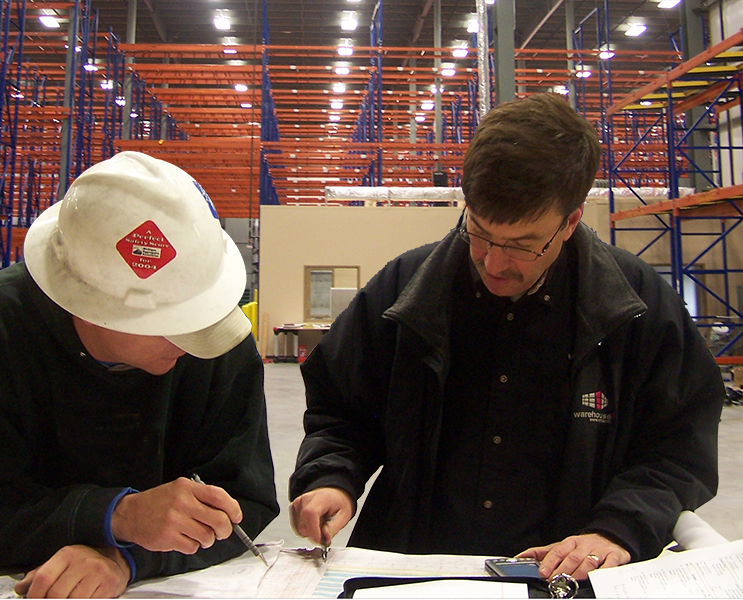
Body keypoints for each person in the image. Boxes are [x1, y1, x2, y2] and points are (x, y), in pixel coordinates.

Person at [288, 93, 725, 581]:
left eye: (522, 245)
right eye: (478, 232)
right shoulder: (403, 292)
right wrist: (331, 477)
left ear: (571, 221)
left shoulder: (638, 310)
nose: (494, 263)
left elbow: (677, 449)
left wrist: (617, 530)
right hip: (413, 572)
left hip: (565, 579)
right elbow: (341, 412)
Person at [0, 151, 279, 598]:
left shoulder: (216, 343)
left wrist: (126, 559)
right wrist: (117, 515)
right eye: (174, 324)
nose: (194, 341)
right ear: (88, 305)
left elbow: (244, 501)